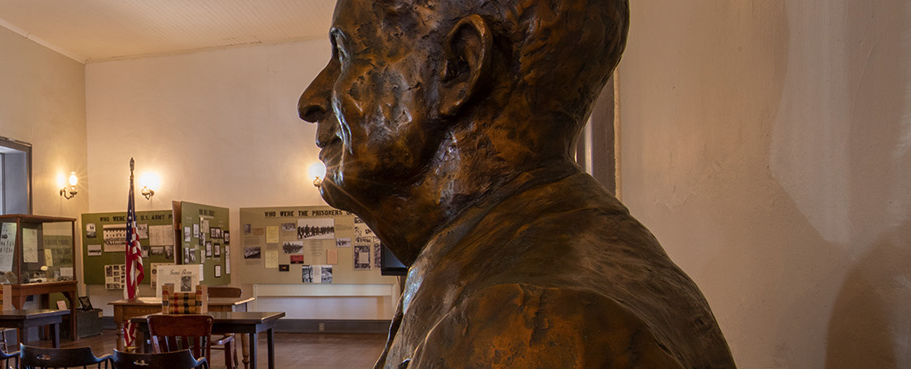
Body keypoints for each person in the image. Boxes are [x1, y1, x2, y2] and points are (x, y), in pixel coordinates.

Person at [296, 0, 736, 367]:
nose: (310, 100)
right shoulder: (540, 264)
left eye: (344, 54)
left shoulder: (523, 329)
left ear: (459, 67)